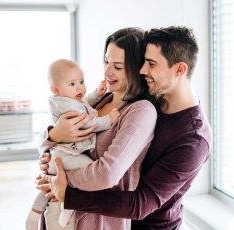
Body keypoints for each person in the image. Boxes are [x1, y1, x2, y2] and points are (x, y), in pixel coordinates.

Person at [38, 26, 212, 229]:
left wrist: (64, 186)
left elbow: (140, 203)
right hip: (87, 214)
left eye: (151, 64)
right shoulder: (123, 98)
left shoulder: (193, 137)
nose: (143, 70)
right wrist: (52, 137)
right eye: (106, 61)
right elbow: (70, 134)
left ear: (180, 70)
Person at [36, 27, 158, 229]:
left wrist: (59, 181)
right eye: (106, 61)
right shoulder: (98, 101)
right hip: (61, 210)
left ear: (137, 69)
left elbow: (107, 174)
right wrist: (52, 135)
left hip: (98, 220)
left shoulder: (140, 111)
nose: (107, 71)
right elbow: (49, 138)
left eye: (117, 66)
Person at [25, 59, 121, 230]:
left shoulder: (70, 99)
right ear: (56, 89)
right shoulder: (64, 104)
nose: (80, 88)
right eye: (72, 84)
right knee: (91, 168)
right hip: (64, 155)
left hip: (63, 153)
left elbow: (84, 103)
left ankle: (35, 212)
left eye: (81, 82)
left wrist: (97, 95)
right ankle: (64, 208)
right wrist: (108, 120)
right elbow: (86, 122)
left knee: (51, 188)